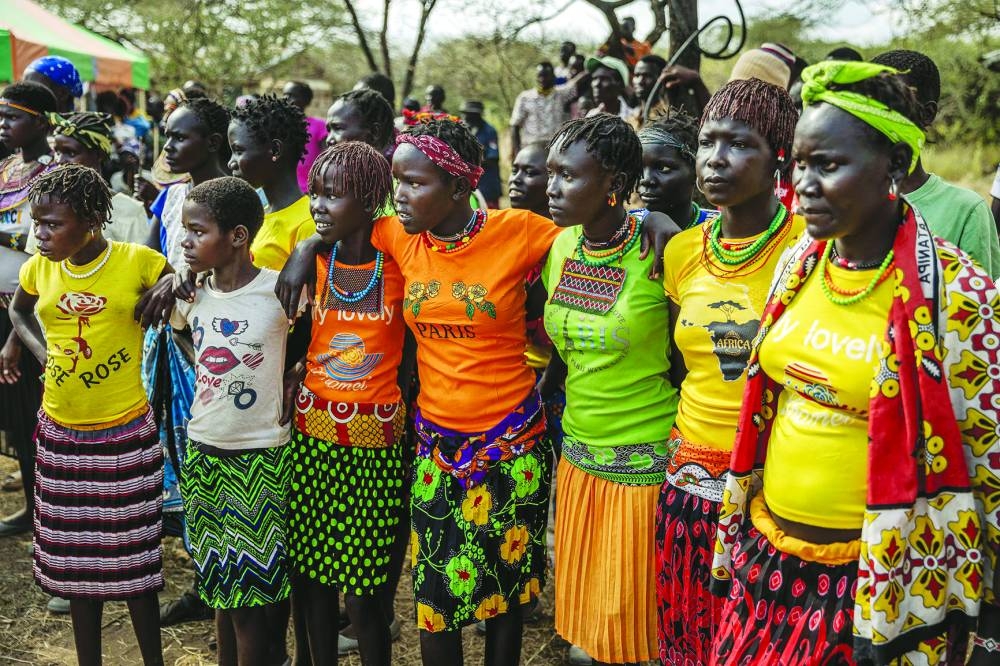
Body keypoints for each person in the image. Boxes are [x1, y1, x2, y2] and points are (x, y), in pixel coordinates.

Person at [710, 60, 1000, 665]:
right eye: (800, 164)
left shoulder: (956, 293)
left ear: (894, 165)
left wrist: (991, 625)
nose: (804, 185)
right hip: (768, 561)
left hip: (879, 583)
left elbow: (990, 459)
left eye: (830, 165)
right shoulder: (799, 264)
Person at [654, 80, 801, 665]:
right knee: (684, 637)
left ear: (778, 160)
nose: (715, 159)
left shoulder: (808, 250)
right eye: (708, 143)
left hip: (770, 489)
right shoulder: (682, 250)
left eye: (737, 144)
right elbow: (677, 359)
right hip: (687, 478)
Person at [10, 163, 173, 666]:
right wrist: (37, 353)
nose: (40, 234)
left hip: (125, 429)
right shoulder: (39, 267)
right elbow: (19, 310)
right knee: (76, 567)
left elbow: (184, 279)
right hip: (60, 434)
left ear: (90, 221)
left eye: (52, 224)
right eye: (36, 223)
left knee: (135, 565)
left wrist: (170, 286)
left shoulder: (137, 261)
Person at [541, 113, 677, 666]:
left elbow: (686, 355)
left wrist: (658, 218)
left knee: (636, 628)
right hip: (578, 459)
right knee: (590, 627)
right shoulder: (561, 248)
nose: (552, 187)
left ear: (615, 186)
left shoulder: (663, 252)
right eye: (551, 173)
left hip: (642, 466)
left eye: (568, 176)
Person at [284, 141, 405, 666]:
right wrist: (305, 247)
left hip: (375, 449)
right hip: (312, 438)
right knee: (311, 578)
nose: (318, 206)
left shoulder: (400, 258)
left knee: (364, 590)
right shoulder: (315, 259)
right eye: (315, 193)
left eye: (333, 196)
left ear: (371, 198)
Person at [170, 177, 294, 666]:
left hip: (260, 455)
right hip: (204, 450)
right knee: (221, 581)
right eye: (185, 231)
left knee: (253, 591)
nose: (185, 241)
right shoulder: (191, 294)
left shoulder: (278, 292)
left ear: (238, 236)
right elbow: (184, 335)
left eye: (197, 231)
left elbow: (304, 345)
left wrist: (294, 373)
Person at [871, 49, 1000, 278]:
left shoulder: (965, 211)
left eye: (891, 104)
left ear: (927, 113)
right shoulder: (850, 203)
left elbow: (980, 304)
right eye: (868, 104)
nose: (877, 116)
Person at [0, 81, 57, 539]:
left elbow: (46, 241)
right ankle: (30, 505)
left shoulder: (55, 174)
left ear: (39, 121)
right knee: (16, 415)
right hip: (4, 303)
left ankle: (51, 508)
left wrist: (7, 239)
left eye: (12, 117)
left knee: (37, 408)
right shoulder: (7, 169)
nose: (3, 125)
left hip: (35, 309)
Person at [228, 94, 314, 271]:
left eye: (238, 151)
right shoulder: (256, 216)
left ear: (275, 150)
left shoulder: (308, 224)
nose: (231, 163)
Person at [50, 112, 150, 244]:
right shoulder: (48, 204)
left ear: (99, 154)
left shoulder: (129, 210)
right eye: (57, 152)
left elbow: (140, 261)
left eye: (71, 153)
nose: (60, 161)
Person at [637, 111, 719, 228]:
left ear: (696, 171)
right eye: (639, 168)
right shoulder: (621, 231)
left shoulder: (722, 229)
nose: (645, 179)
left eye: (662, 168)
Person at [509, 62, 577, 162]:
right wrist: (518, 151)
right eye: (540, 76)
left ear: (553, 77)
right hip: (531, 151)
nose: (542, 79)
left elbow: (577, 83)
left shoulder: (562, 94)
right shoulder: (525, 97)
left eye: (546, 76)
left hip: (555, 151)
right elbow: (514, 125)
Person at [283, 81, 328, 193]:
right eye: (285, 94)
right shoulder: (279, 127)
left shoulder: (319, 126)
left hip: (311, 191)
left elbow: (328, 158)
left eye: (292, 95)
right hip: (285, 191)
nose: (286, 98)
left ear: (306, 100)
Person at [460, 101, 501, 208]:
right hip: (467, 183)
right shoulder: (462, 131)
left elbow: (493, 157)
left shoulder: (489, 131)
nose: (465, 117)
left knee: (490, 216)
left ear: (477, 115)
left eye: (469, 114)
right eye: (465, 114)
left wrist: (468, 162)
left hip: (487, 183)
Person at [629, 54, 667, 127]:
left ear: (661, 79)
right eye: (636, 75)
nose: (640, 81)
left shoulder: (666, 116)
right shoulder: (632, 117)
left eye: (647, 76)